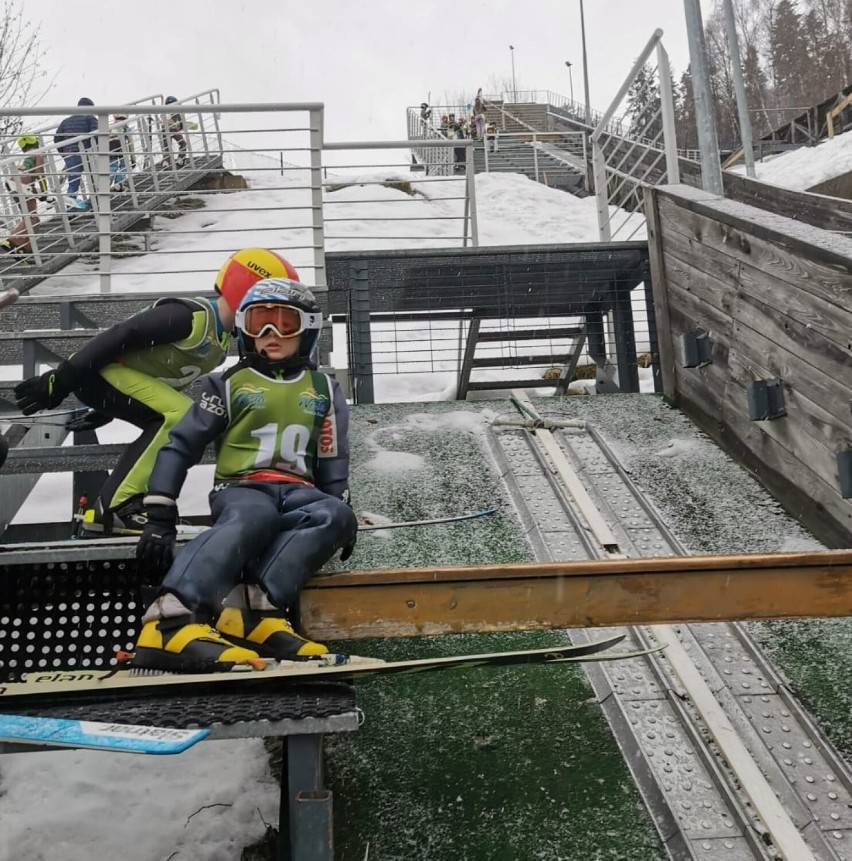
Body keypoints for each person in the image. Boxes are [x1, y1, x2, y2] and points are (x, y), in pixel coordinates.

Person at [132, 277, 357, 671]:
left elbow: (331, 453)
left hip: (299, 489)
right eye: (258, 323)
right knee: (257, 516)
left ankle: (254, 613)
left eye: (284, 324)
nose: (270, 334)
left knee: (333, 516)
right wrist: (161, 507)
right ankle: (170, 619)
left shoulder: (323, 388)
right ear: (243, 330)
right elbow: (182, 444)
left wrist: (339, 503)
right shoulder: (228, 383)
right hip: (242, 488)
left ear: (307, 329)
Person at [13, 248, 300, 534]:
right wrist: (60, 380)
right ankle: (116, 506)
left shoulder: (219, 345)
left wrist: (106, 407)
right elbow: (120, 335)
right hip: (94, 373)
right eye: (273, 312)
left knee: (188, 425)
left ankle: (135, 503)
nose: (274, 325)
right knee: (183, 415)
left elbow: (157, 381)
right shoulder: (190, 317)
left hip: (114, 383)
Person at [1, 134, 48, 257]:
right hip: (23, 186)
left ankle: (26, 250)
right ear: (35, 142)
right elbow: (40, 172)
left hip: (13, 183)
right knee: (31, 217)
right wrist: (45, 191)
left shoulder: (26, 156)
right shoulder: (38, 153)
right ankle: (10, 241)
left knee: (34, 219)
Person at [54, 97, 97, 209]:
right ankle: (95, 201)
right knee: (94, 178)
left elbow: (57, 140)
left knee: (73, 183)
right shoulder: (90, 118)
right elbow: (97, 135)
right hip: (87, 154)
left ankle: (70, 209)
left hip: (71, 155)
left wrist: (65, 155)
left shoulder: (66, 121)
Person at [161, 96, 188, 168]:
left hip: (165, 129)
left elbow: (166, 121)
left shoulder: (164, 111)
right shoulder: (176, 112)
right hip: (172, 128)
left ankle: (166, 162)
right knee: (183, 143)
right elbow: (179, 125)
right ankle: (180, 159)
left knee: (167, 147)